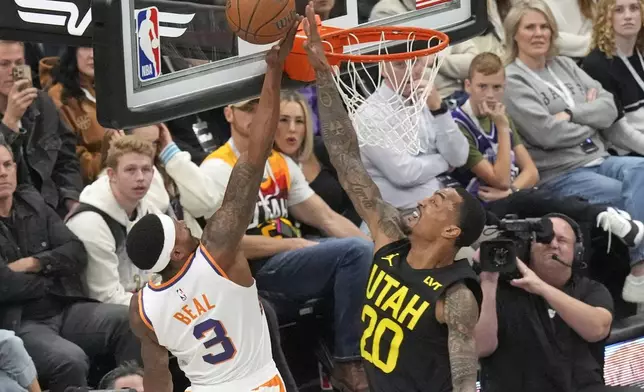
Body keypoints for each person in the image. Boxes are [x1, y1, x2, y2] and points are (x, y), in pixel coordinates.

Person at [302, 3, 486, 392]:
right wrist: (322, 74)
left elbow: (465, 382)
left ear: (452, 230)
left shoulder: (455, 294)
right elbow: (346, 160)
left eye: (436, 203)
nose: (422, 201)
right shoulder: (388, 244)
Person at [125, 20, 300, 392]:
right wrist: (273, 72)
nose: (185, 224)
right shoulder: (218, 251)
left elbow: (157, 375)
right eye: (179, 227)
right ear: (174, 250)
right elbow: (253, 157)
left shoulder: (143, 309)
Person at [503, 0, 644, 303]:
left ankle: (640, 272)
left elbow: (609, 106)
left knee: (641, 171)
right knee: (623, 193)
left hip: (600, 157)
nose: (539, 34)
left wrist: (571, 113)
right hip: (563, 172)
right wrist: (590, 122)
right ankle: (640, 269)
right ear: (515, 34)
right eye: (530, 27)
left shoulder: (564, 64)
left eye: (544, 27)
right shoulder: (511, 80)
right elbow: (547, 133)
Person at [453, 52, 643, 253]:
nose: (490, 95)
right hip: (484, 208)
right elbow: (499, 180)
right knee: (541, 199)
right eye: (482, 86)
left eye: (497, 87)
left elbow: (531, 172)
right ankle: (603, 215)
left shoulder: (501, 115)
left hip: (515, 193)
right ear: (468, 86)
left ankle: (636, 260)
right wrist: (502, 129)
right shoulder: (460, 124)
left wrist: (513, 190)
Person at [0, 141, 140, 392]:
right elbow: (4, 285)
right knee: (69, 360)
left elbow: (76, 252)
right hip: (21, 322)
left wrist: (34, 262)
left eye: (7, 164)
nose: (3, 172)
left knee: (130, 319)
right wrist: (51, 271)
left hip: (64, 306)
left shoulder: (31, 201)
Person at [474, 214, 643, 392]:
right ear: (529, 248)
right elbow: (481, 347)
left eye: (562, 240)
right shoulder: (499, 291)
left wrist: (541, 287)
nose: (553, 244)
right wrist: (489, 282)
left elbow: (597, 329)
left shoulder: (591, 290)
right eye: (544, 239)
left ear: (577, 252)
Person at [352, 53, 469, 210]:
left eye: (415, 62)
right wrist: (445, 162)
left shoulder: (428, 101)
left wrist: (439, 110)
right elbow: (405, 173)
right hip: (400, 217)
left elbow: (460, 157)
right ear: (383, 69)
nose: (410, 71)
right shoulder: (369, 114)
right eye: (400, 65)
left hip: (443, 204)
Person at [0, 40, 82, 218]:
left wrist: (72, 199)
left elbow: (66, 160)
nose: (12, 72)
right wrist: (9, 122)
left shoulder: (42, 103)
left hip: (51, 207)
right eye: (4, 64)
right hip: (10, 215)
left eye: (19, 64)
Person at [275, 91, 360, 237]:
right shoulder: (267, 168)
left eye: (299, 121)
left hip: (352, 226)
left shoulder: (322, 148)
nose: (292, 128)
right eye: (283, 120)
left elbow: (357, 197)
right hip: (307, 245)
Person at [40, 47, 110, 184]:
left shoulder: (114, 85)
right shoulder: (58, 98)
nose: (92, 55)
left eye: (97, 46)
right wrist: (111, 153)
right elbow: (73, 165)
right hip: (93, 185)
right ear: (72, 51)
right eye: (86, 47)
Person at [583, 0, 644, 149]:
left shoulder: (641, 52)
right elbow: (617, 132)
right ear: (606, 17)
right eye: (619, 10)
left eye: (634, 8)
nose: (628, 16)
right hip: (628, 152)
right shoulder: (597, 63)